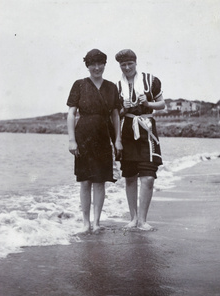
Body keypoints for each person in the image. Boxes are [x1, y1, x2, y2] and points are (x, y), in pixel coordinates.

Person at [67, 49, 122, 234]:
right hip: (83, 137)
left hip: (103, 137)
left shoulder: (111, 87)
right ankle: (85, 223)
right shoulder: (79, 85)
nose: (97, 67)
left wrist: (118, 140)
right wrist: (71, 140)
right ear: (87, 65)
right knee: (85, 182)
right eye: (93, 64)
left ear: (105, 64)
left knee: (100, 181)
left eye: (100, 63)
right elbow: (71, 114)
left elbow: (115, 115)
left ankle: (97, 222)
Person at [115, 49, 165, 231]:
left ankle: (143, 220)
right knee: (129, 176)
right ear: (120, 66)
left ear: (136, 63)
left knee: (148, 177)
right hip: (127, 129)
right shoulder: (117, 87)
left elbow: (162, 104)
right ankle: (133, 218)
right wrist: (122, 108)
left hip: (147, 128)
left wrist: (148, 104)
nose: (127, 67)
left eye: (130, 64)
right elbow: (115, 114)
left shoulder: (151, 81)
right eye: (123, 65)